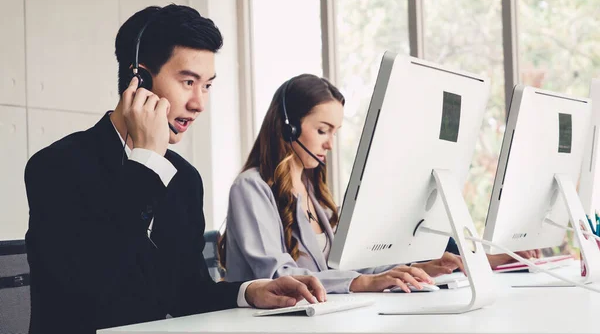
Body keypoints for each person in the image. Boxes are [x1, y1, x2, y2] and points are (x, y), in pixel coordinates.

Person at [24, 5, 324, 334]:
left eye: (207, 85)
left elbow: (187, 294)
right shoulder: (56, 168)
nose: (199, 103)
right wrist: (147, 162)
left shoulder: (185, 179)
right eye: (188, 82)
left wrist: (250, 292)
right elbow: (92, 292)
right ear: (139, 80)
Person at [218, 74, 543, 294]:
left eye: (334, 132)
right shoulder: (251, 188)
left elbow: (351, 263)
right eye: (322, 130)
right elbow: (279, 278)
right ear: (288, 128)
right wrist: (361, 283)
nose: (330, 143)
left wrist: (419, 266)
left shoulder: (312, 192)